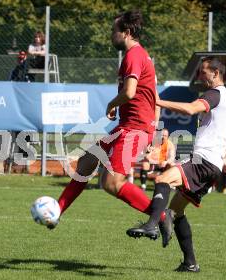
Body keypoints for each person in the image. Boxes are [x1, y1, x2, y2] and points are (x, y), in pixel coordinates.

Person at [51, 10, 170, 240]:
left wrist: (112, 103)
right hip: (128, 126)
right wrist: (152, 130)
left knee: (111, 182)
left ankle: (161, 217)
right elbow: (153, 98)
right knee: (86, 162)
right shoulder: (142, 56)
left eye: (113, 31)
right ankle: (56, 211)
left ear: (126, 33)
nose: (110, 35)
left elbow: (129, 92)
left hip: (134, 129)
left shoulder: (134, 55)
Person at [126, 56, 226, 273]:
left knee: (162, 179)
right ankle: (190, 263)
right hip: (213, 166)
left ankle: (151, 225)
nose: (199, 75)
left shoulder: (214, 94)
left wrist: (157, 101)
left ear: (215, 73)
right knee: (177, 212)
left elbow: (190, 109)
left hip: (202, 160)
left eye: (203, 71)